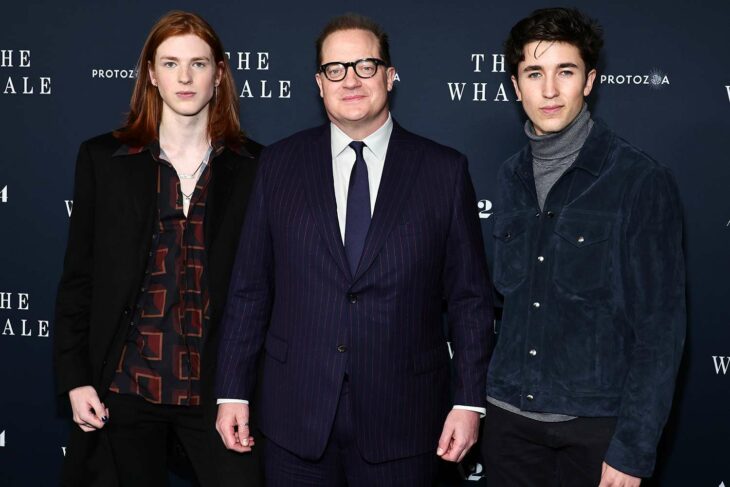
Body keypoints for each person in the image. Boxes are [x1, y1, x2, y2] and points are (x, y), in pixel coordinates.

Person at [214, 13, 494, 487]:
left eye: (366, 65)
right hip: (294, 417)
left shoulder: (443, 171)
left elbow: (469, 299)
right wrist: (231, 391)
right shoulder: (278, 165)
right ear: (319, 83)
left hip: (405, 418)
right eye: (336, 69)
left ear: (390, 75)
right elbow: (249, 288)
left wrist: (468, 401)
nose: (351, 80)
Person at [53, 10, 262, 487]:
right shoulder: (104, 159)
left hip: (219, 392)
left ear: (220, 73)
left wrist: (247, 387)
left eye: (198, 63)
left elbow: (263, 289)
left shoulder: (256, 167)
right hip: (125, 387)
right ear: (150, 73)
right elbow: (79, 278)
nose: (184, 77)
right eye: (169, 63)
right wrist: (75, 377)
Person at [482, 7, 686, 487]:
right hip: (510, 426)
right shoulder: (509, 176)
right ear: (516, 85)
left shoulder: (640, 180)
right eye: (534, 73)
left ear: (589, 80)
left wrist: (633, 452)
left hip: (595, 431)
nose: (549, 90)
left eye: (565, 72)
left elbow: (660, 332)